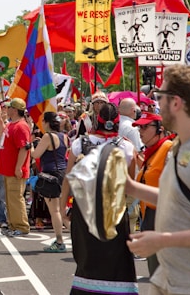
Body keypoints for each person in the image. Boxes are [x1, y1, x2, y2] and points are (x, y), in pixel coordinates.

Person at [126, 65, 190, 294]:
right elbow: (181, 200)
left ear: (176, 103)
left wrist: (162, 240)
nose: (156, 104)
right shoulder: (180, 146)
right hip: (171, 279)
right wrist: (131, 187)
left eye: (160, 97)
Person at [62, 102, 138, 294]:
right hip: (114, 210)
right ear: (118, 122)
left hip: (84, 209)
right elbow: (130, 184)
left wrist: (61, 208)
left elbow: (68, 179)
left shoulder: (79, 143)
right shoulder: (127, 147)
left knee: (86, 258)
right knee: (116, 259)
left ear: (97, 119)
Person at [132, 112, 173, 276]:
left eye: (145, 126)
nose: (140, 131)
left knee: (162, 275)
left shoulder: (169, 149)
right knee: (156, 275)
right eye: (139, 127)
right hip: (149, 215)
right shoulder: (151, 152)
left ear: (160, 130)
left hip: (163, 217)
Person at [30, 111, 69, 252]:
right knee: (62, 211)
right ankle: (78, 238)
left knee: (55, 211)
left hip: (51, 175)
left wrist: (33, 144)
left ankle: (59, 242)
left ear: (47, 122)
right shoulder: (64, 136)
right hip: (62, 173)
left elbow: (35, 155)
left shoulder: (48, 136)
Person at [0, 98, 31, 237]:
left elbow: (24, 148)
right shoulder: (12, 124)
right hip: (8, 169)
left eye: (9, 107)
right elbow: (3, 131)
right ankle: (13, 224)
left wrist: (18, 168)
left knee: (16, 198)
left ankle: (21, 226)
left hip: (15, 170)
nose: (7, 109)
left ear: (15, 110)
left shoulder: (21, 126)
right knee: (11, 199)